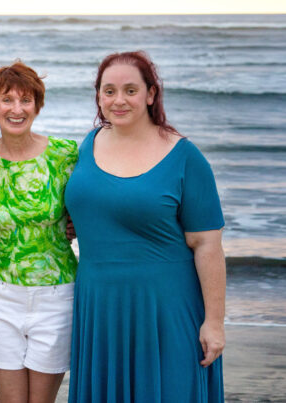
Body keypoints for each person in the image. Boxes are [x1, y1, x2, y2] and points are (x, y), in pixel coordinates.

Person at [65, 50, 226, 402]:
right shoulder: (88, 145)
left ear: (151, 95)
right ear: (98, 96)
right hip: (99, 305)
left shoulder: (185, 157)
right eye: (108, 91)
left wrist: (214, 322)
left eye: (130, 90)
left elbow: (207, 244)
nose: (118, 100)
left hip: (164, 308)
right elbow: (94, 205)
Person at [0, 61, 79, 403]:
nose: (17, 109)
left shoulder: (65, 155)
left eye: (26, 100)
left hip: (57, 295)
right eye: (7, 100)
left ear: (37, 106)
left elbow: (97, 203)